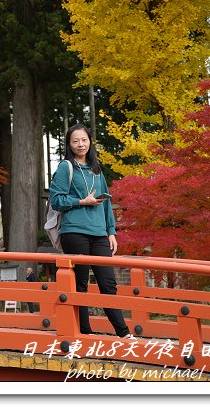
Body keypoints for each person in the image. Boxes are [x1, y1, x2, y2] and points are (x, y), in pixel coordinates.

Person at [49, 122, 134, 339]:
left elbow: (106, 203)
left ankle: (123, 333)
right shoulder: (65, 167)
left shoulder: (97, 170)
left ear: (90, 141)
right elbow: (56, 200)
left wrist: (111, 231)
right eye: (75, 141)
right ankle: (84, 334)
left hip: (99, 234)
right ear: (69, 144)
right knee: (80, 284)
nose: (80, 144)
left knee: (108, 283)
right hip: (74, 231)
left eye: (84, 140)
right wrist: (81, 201)